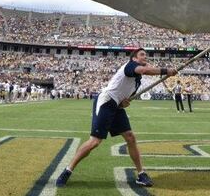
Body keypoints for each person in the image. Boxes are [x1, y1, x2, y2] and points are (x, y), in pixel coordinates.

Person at [56, 49, 177, 188]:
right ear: (134, 58)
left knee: (130, 137)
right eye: (142, 54)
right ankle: (67, 170)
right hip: (107, 102)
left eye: (145, 54)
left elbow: (124, 99)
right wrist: (166, 71)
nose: (145, 56)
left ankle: (141, 174)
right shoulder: (130, 66)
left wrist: (124, 102)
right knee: (95, 141)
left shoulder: (137, 81)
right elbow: (144, 70)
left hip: (116, 106)